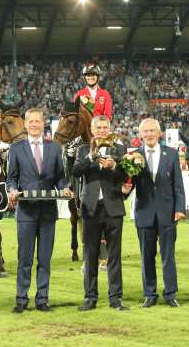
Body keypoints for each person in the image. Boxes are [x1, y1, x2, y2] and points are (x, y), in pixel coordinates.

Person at [7, 108, 73, 313]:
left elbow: (60, 177)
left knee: (44, 258)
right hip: (26, 211)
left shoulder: (54, 148)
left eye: (38, 121)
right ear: (25, 125)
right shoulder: (16, 148)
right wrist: (12, 190)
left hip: (47, 212)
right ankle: (21, 299)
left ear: (44, 124)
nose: (35, 124)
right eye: (31, 121)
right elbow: (12, 178)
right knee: (24, 258)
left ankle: (42, 299)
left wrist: (64, 186)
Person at [123, 118, 185, 308]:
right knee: (146, 257)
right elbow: (128, 184)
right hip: (144, 213)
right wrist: (124, 191)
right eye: (145, 131)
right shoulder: (132, 156)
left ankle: (170, 294)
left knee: (168, 256)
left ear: (159, 134)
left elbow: (178, 186)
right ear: (140, 135)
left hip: (167, 214)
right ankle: (150, 294)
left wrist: (180, 209)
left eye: (152, 130)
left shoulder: (172, 154)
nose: (149, 134)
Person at [72, 115, 129, 311]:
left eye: (105, 127)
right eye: (99, 127)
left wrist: (114, 166)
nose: (102, 130)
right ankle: (90, 298)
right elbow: (75, 172)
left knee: (114, 255)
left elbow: (127, 175)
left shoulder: (120, 149)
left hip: (113, 207)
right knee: (90, 255)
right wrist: (91, 156)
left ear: (109, 129)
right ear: (92, 129)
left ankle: (115, 299)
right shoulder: (82, 149)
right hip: (90, 209)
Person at [74, 63, 113, 268]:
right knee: (69, 155)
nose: (90, 77)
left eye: (93, 75)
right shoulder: (79, 94)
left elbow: (108, 114)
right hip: (84, 137)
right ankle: (70, 187)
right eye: (87, 75)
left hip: (102, 134)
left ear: (97, 77)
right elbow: (74, 117)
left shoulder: (104, 94)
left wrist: (101, 130)